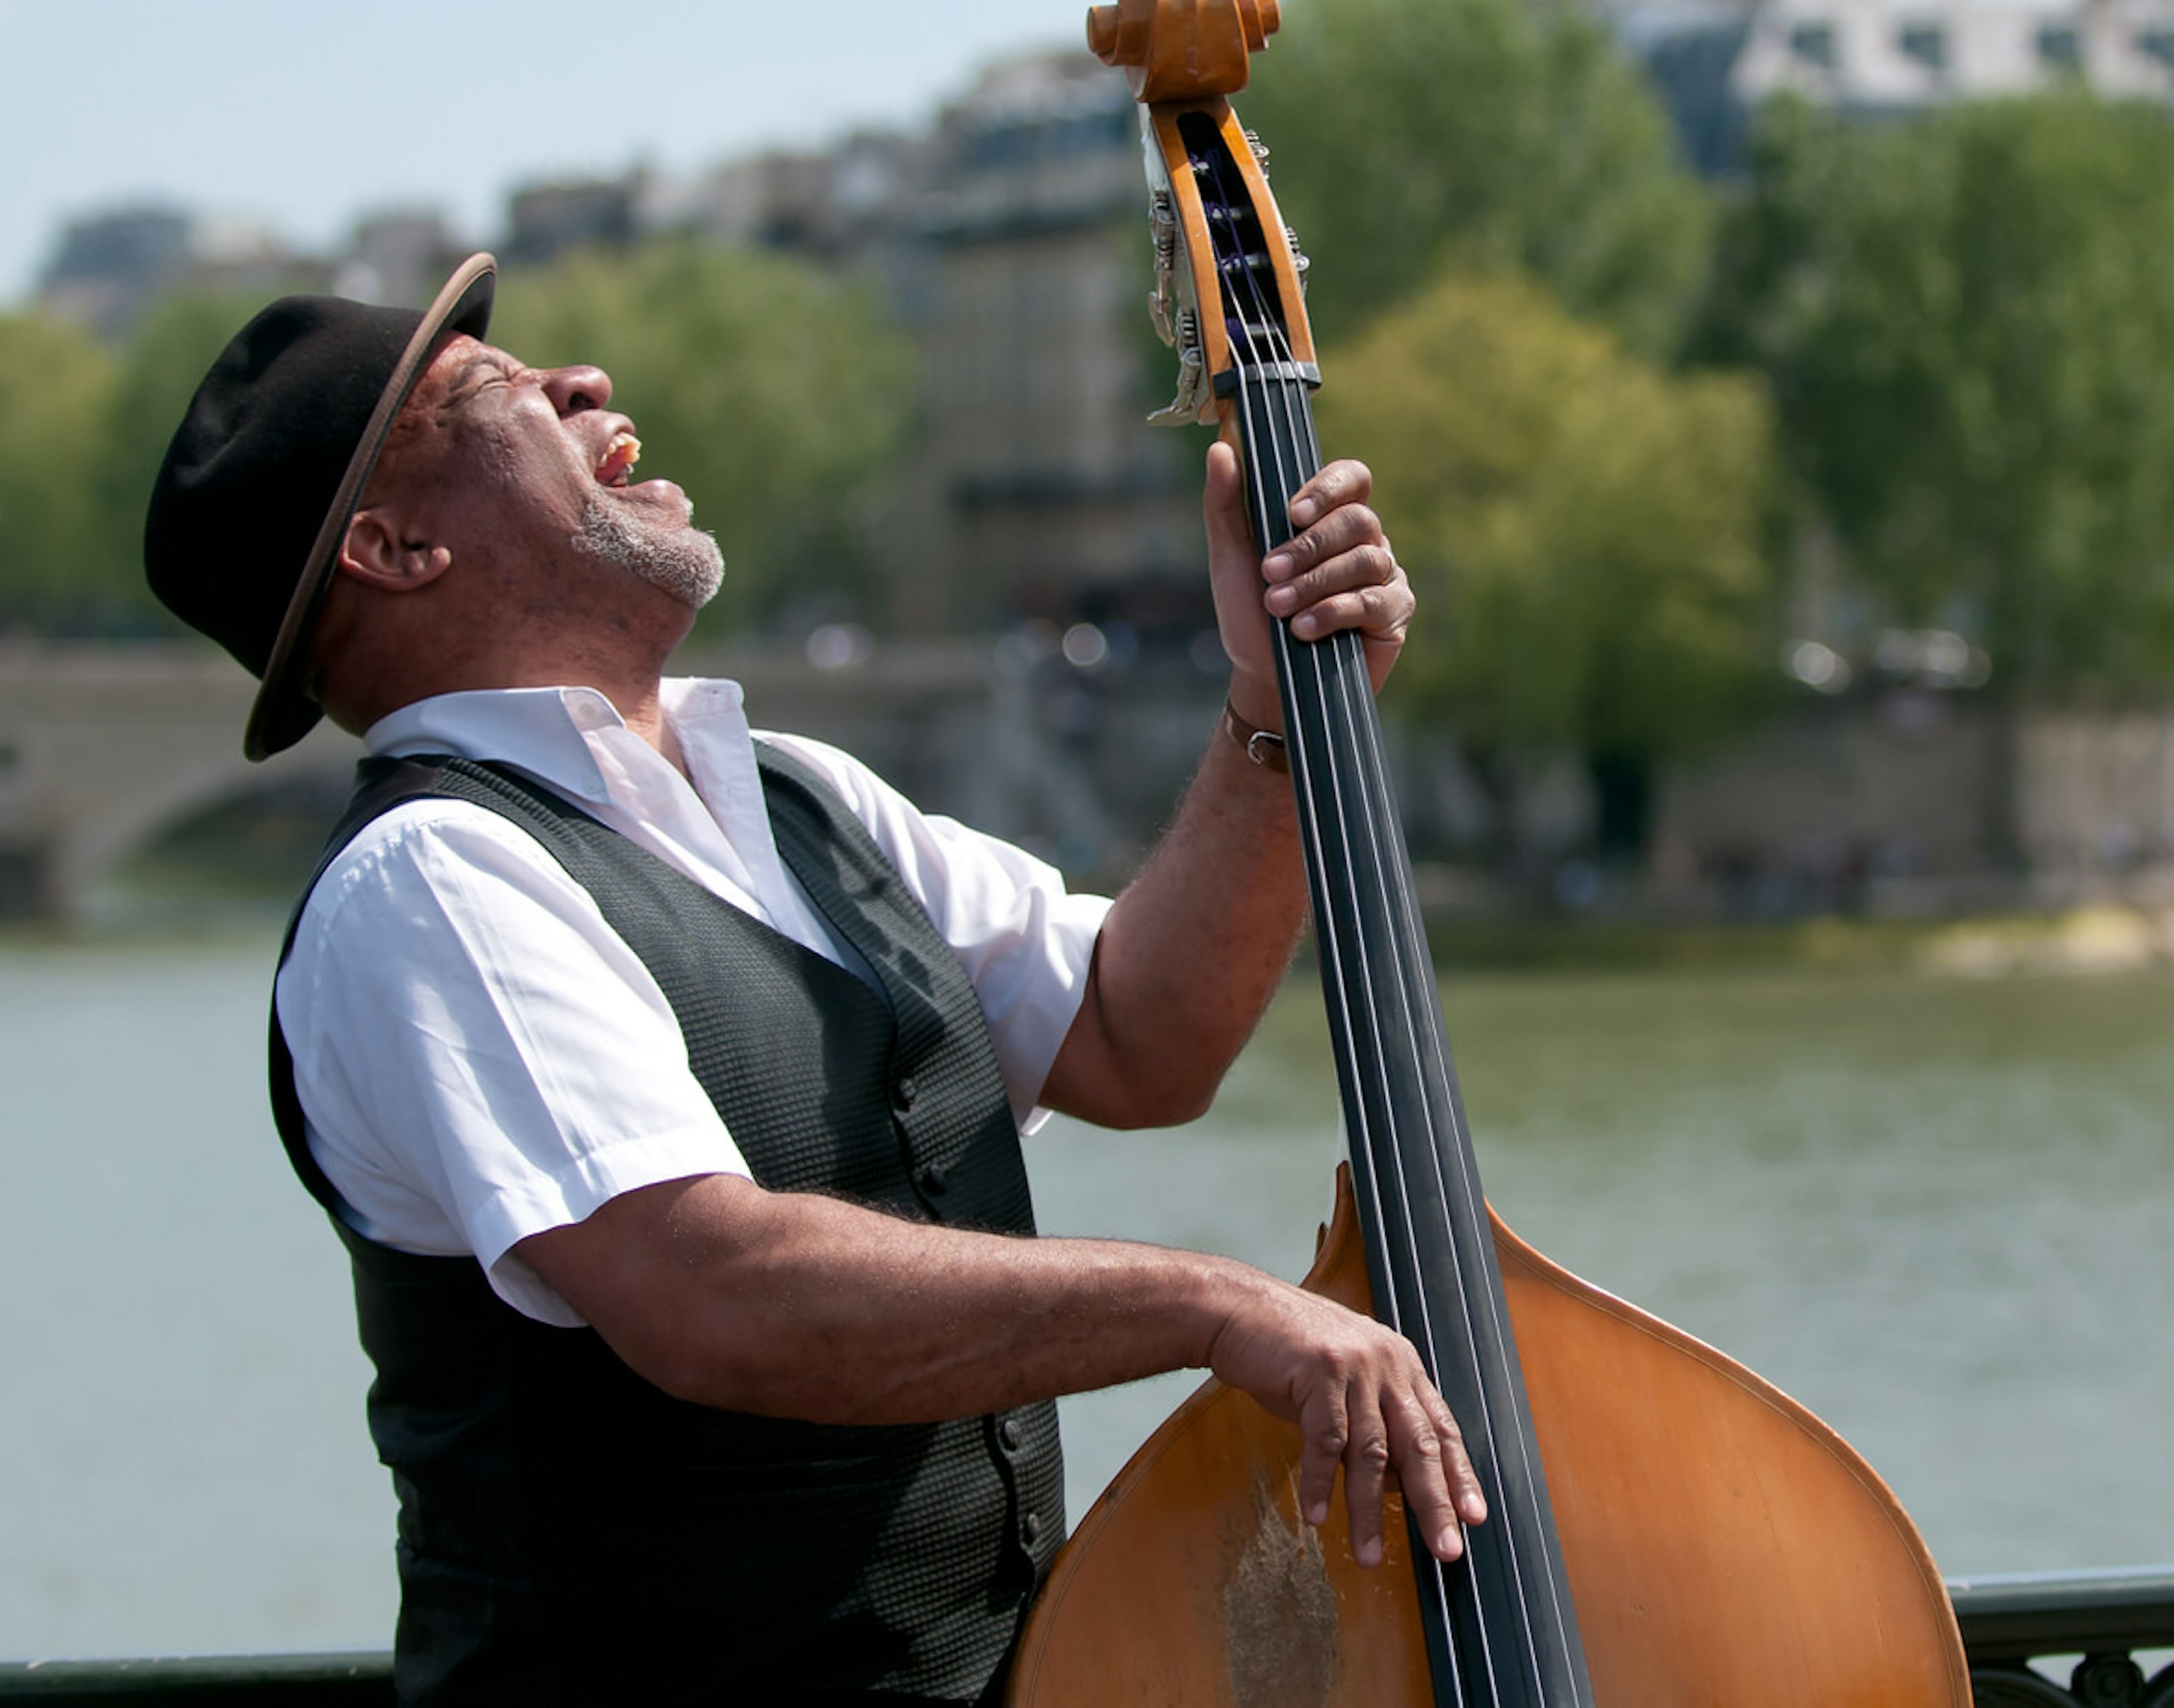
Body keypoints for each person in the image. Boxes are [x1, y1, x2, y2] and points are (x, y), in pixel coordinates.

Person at [143, 253, 1485, 1704]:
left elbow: (1133, 1036)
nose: (579, 379)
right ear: (395, 550)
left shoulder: (800, 796)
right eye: (497, 391)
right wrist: (1213, 1305)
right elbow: (709, 1289)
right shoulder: (431, 887)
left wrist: (1272, 710)